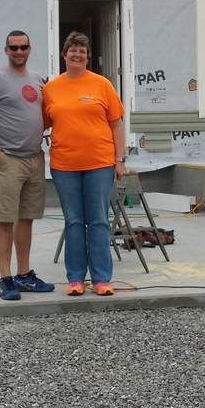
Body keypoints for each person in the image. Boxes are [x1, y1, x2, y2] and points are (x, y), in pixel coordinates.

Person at [43, 31, 128, 296]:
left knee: (99, 221)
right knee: (74, 221)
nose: (77, 54)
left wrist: (119, 160)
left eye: (82, 50)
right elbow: (39, 124)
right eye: (72, 50)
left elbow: (117, 124)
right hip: (64, 165)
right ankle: (76, 279)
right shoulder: (51, 88)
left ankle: (102, 279)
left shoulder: (102, 84)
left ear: (87, 56)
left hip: (100, 164)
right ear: (64, 54)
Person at [0, 30, 55, 301]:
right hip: (8, 160)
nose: (19, 52)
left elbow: (45, 115)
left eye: (24, 47)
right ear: (6, 50)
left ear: (30, 49)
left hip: (34, 159)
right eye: (14, 48)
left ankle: (24, 275)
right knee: (5, 219)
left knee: (26, 218)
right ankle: (5, 279)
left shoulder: (38, 80)